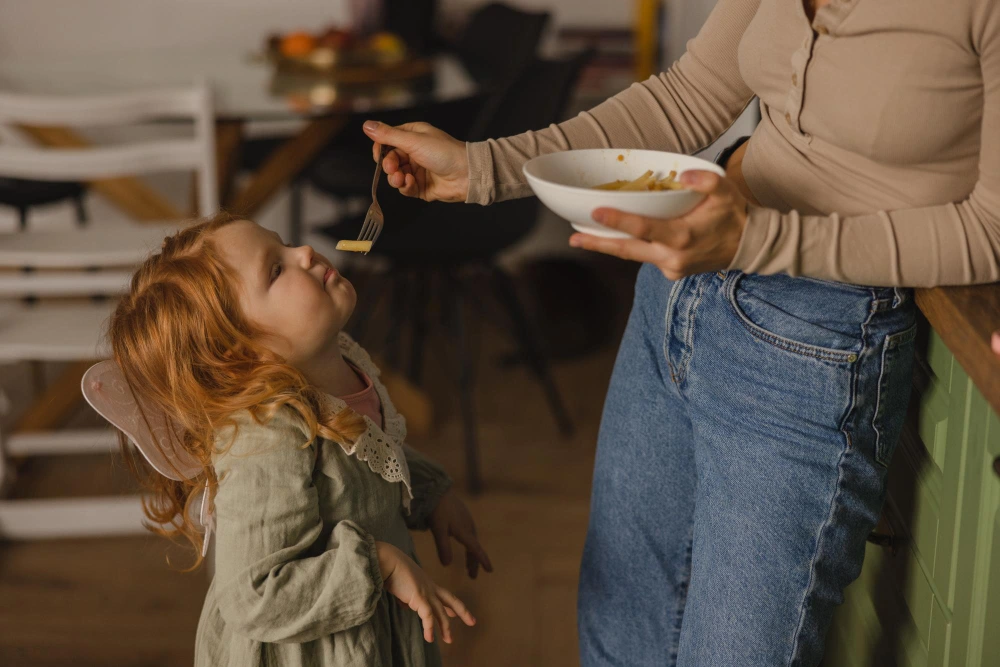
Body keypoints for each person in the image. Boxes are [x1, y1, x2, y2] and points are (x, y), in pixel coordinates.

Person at [358, 0, 1000, 664]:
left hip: (815, 344)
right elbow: (693, 92)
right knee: (617, 635)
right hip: (681, 288)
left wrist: (758, 238)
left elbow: (992, 229)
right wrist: (483, 166)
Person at [102, 213, 492, 666]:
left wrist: (433, 493)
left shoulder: (337, 364)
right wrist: (376, 564)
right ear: (241, 355)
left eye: (284, 245)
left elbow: (363, 462)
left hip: (374, 627)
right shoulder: (268, 437)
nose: (304, 252)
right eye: (276, 269)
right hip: (316, 649)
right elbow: (251, 594)